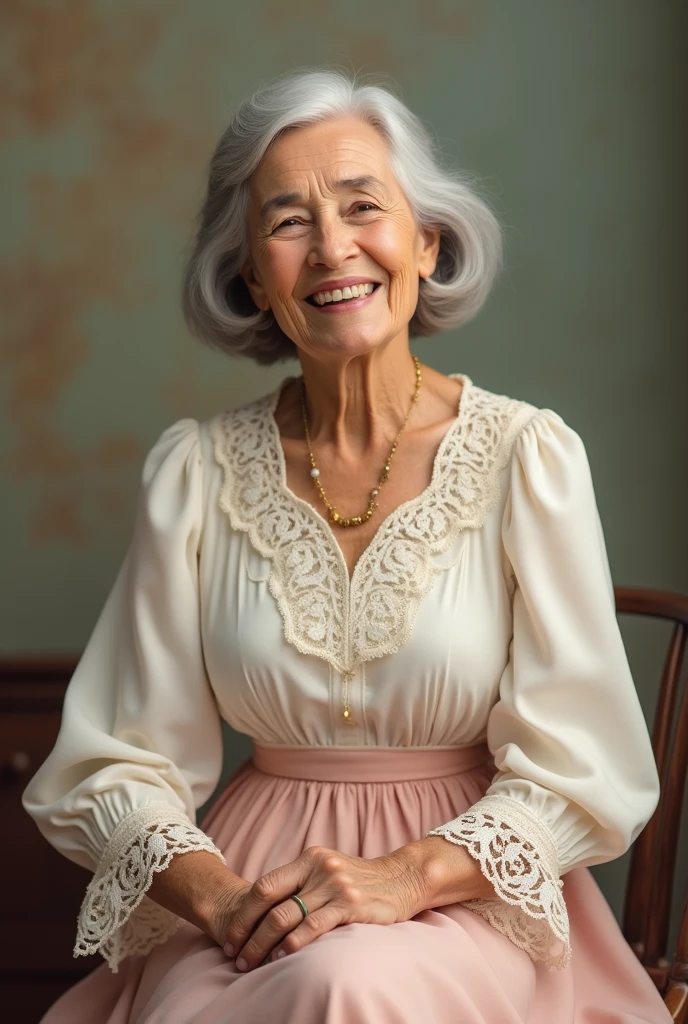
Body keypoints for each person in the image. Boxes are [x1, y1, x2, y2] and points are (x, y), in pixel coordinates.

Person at [22, 68, 672, 1023]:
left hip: (469, 894)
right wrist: (223, 901)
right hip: (252, 898)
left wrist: (406, 877)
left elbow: (587, 762)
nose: (332, 248)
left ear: (426, 241)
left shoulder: (526, 456)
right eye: (287, 222)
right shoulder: (195, 473)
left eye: (363, 205)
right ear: (251, 276)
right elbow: (114, 761)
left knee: (348, 986)